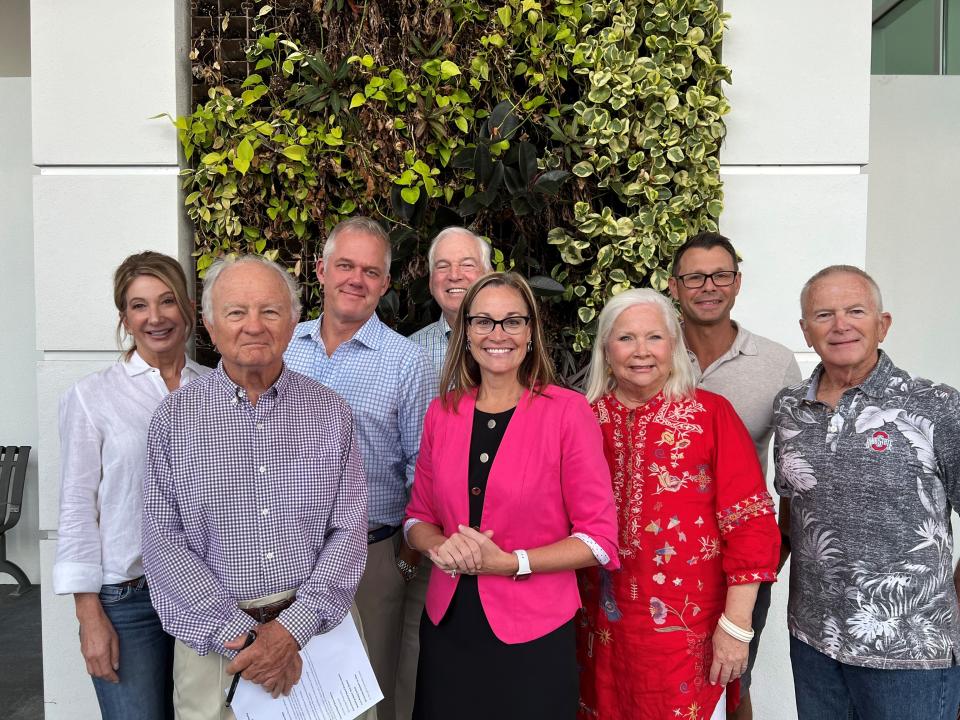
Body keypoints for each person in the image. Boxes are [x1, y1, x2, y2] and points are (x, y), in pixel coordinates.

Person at [142, 255, 369, 720]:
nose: (254, 326)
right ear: (208, 323)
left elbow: (348, 531)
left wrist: (291, 631)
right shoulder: (174, 419)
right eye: (235, 312)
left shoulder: (331, 413)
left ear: (293, 320)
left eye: (269, 311)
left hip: (320, 640)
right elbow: (163, 542)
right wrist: (244, 636)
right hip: (216, 646)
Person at [404, 272, 619, 720]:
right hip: (448, 626)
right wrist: (439, 546)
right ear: (465, 334)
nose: (497, 334)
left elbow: (599, 540)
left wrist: (511, 562)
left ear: (530, 333)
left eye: (511, 322)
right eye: (483, 321)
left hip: (534, 630)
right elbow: (417, 518)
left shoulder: (567, 412)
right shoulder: (442, 411)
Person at [577, 288, 782, 720]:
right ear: (605, 348)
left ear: (675, 347)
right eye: (625, 338)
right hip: (599, 625)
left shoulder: (711, 415)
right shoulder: (582, 418)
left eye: (654, 337)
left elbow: (750, 522)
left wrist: (736, 627)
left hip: (690, 631)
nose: (640, 352)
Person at [773, 265, 960, 720]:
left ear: (883, 324)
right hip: (815, 642)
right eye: (824, 314)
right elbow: (792, 509)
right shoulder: (790, 409)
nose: (840, 325)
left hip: (911, 652)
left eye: (855, 310)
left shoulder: (936, 406)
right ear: (805, 329)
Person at [284, 217, 433, 720]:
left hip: (371, 560)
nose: (356, 279)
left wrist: (405, 560)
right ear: (321, 271)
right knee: (286, 693)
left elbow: (423, 470)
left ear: (386, 284)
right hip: (277, 558)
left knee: (368, 697)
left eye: (371, 271)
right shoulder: (279, 345)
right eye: (345, 265)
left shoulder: (407, 362)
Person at [52, 251, 209, 720]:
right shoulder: (91, 396)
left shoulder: (215, 387)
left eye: (166, 301)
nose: (156, 317)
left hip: (204, 593)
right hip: (128, 598)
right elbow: (77, 506)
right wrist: (88, 614)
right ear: (124, 317)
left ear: (186, 306)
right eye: (139, 306)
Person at [669, 232, 801, 719]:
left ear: (737, 283)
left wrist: (779, 546)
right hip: (663, 556)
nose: (708, 286)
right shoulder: (650, 352)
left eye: (720, 274)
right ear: (674, 286)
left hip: (738, 556)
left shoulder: (775, 362)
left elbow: (795, 466)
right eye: (695, 276)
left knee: (733, 679)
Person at [409, 226, 493, 379]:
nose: (454, 275)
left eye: (467, 265)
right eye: (442, 266)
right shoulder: (410, 351)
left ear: (488, 275)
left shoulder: (512, 343)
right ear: (430, 283)